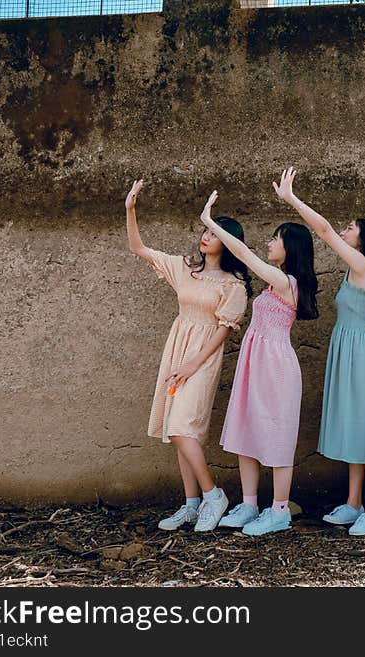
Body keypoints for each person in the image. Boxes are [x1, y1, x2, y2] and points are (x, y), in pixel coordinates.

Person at [272, 168, 365, 536]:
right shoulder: (350, 270)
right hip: (348, 350)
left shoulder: (362, 265)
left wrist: (292, 199)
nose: (344, 230)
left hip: (361, 355)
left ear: (364, 239)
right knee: (354, 429)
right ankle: (355, 502)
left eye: (351, 227)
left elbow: (322, 230)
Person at [125, 180, 249, 532]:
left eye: (213, 232)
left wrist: (193, 364)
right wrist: (131, 209)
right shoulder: (184, 268)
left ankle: (213, 495)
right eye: (204, 231)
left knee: (183, 428)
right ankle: (191, 503)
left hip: (202, 358)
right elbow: (138, 247)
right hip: (177, 349)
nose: (205, 237)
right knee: (179, 430)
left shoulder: (233, 286)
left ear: (228, 242)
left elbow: (224, 330)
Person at [199, 191, 319, 537]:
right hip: (256, 363)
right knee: (246, 430)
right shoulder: (273, 284)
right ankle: (250, 504)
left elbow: (243, 253)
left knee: (278, 435)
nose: (269, 243)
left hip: (276, 367)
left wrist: (210, 223)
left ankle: (279, 509)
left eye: (275, 239)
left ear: (290, 248)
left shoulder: (286, 282)